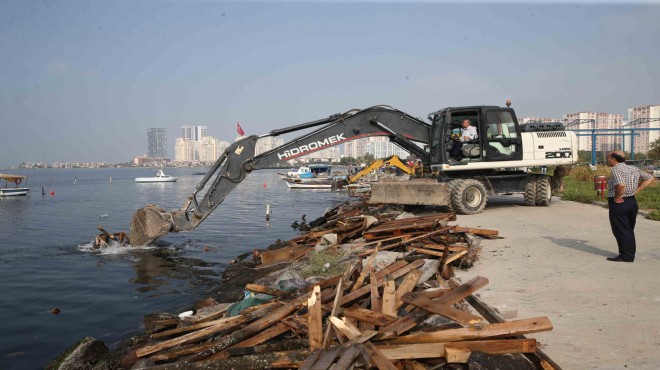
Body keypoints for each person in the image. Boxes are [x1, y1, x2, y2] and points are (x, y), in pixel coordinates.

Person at [605, 150, 654, 262]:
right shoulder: (633, 168)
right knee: (628, 229)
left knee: (621, 229)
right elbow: (649, 178)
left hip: (620, 203)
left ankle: (626, 255)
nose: (608, 160)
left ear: (613, 159)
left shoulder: (615, 169)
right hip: (631, 202)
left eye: (608, 158)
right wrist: (636, 191)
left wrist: (617, 198)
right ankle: (628, 253)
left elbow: (621, 185)